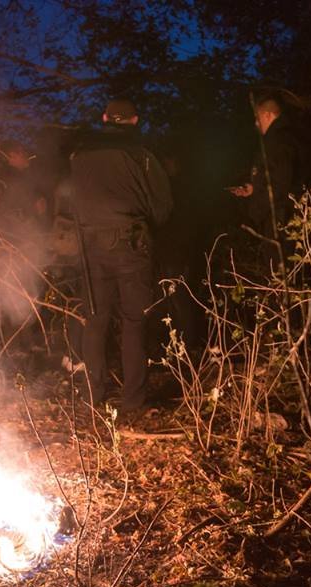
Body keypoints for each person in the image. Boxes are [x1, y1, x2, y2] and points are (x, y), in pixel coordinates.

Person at [69, 99, 173, 413]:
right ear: (134, 120)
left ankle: (93, 394)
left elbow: (71, 200)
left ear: (104, 118)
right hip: (131, 245)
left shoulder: (79, 156)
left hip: (90, 247)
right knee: (134, 322)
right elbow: (163, 208)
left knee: (96, 321)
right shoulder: (141, 156)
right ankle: (132, 401)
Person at [231, 96, 303, 269]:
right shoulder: (274, 140)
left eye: (258, 118)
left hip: (279, 217)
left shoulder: (279, 141)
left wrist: (259, 210)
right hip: (275, 215)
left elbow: (281, 182)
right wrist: (253, 189)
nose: (256, 124)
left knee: (279, 268)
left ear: (268, 115)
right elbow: (271, 175)